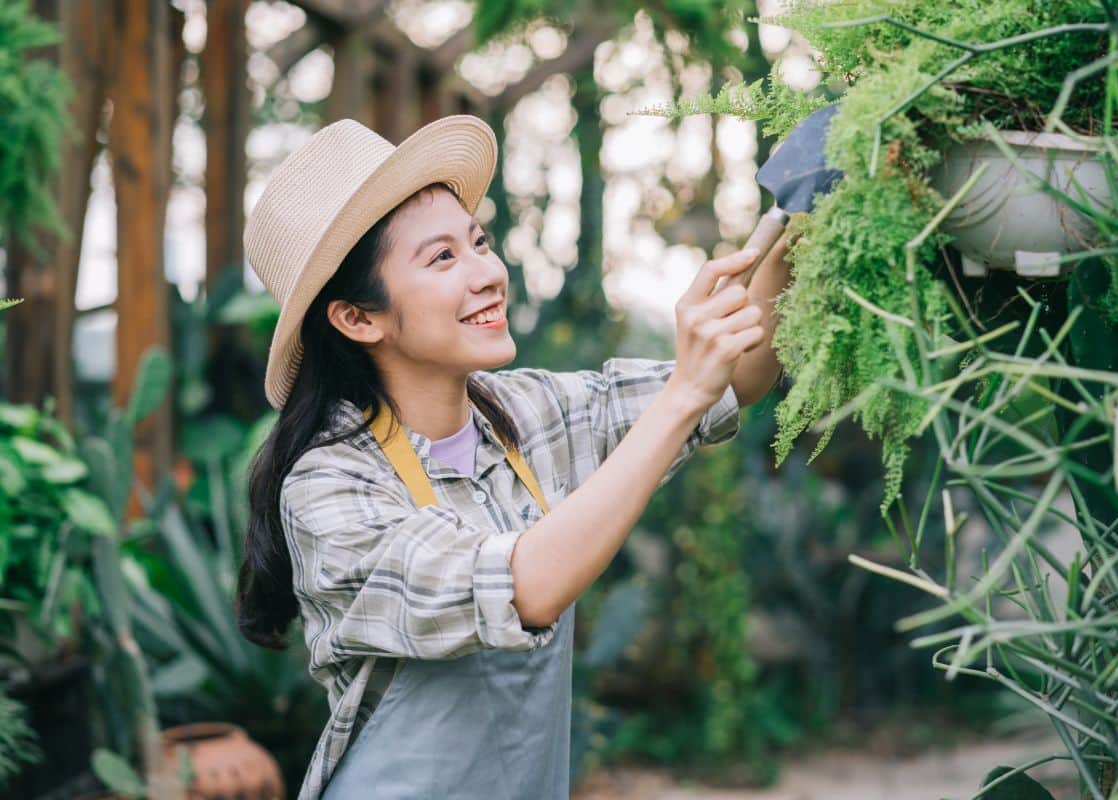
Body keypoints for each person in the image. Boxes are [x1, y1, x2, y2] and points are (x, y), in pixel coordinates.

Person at [236, 115, 790, 799]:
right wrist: (680, 395)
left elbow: (738, 377)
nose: (488, 274)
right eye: (442, 258)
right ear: (358, 317)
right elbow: (522, 588)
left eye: (479, 242)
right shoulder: (330, 488)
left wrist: (801, 214)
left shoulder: (529, 413)